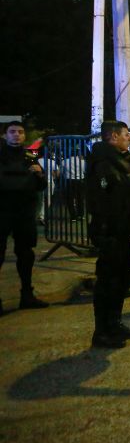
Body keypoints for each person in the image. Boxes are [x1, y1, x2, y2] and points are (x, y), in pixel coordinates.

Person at [85, 120, 130, 348]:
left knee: (122, 280)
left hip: (124, 229)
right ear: (113, 136)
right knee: (108, 281)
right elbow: (113, 195)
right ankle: (102, 331)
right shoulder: (103, 162)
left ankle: (115, 323)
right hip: (110, 230)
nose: (129, 138)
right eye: (125, 135)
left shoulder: (123, 158)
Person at [0, 121, 49, 315]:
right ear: (5, 135)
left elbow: (41, 185)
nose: (17, 135)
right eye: (12, 132)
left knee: (26, 254)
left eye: (20, 132)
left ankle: (27, 296)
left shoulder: (30, 157)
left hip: (24, 213)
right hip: (2, 211)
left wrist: (39, 176)